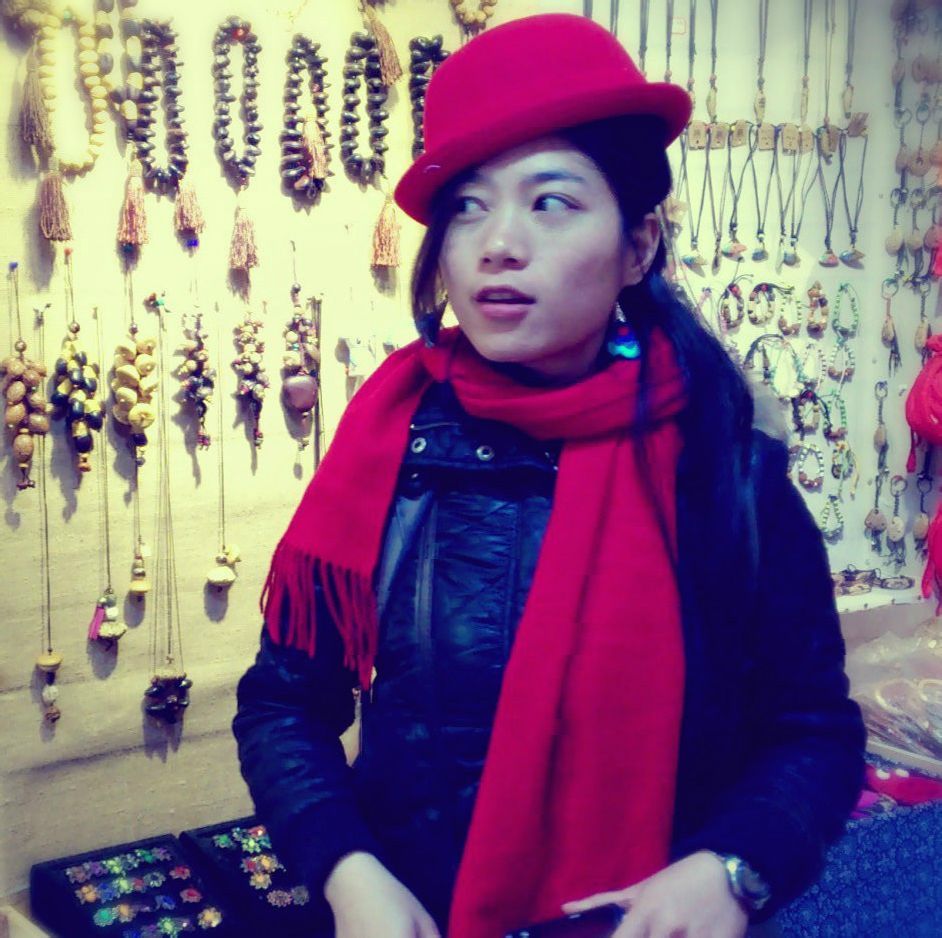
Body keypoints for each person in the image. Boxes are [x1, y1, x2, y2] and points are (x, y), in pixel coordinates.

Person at [233, 13, 865, 938]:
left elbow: (813, 731)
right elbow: (283, 706)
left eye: (552, 201)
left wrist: (734, 869)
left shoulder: (727, 467)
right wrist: (348, 871)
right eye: (468, 206)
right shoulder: (388, 450)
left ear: (638, 246)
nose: (497, 242)